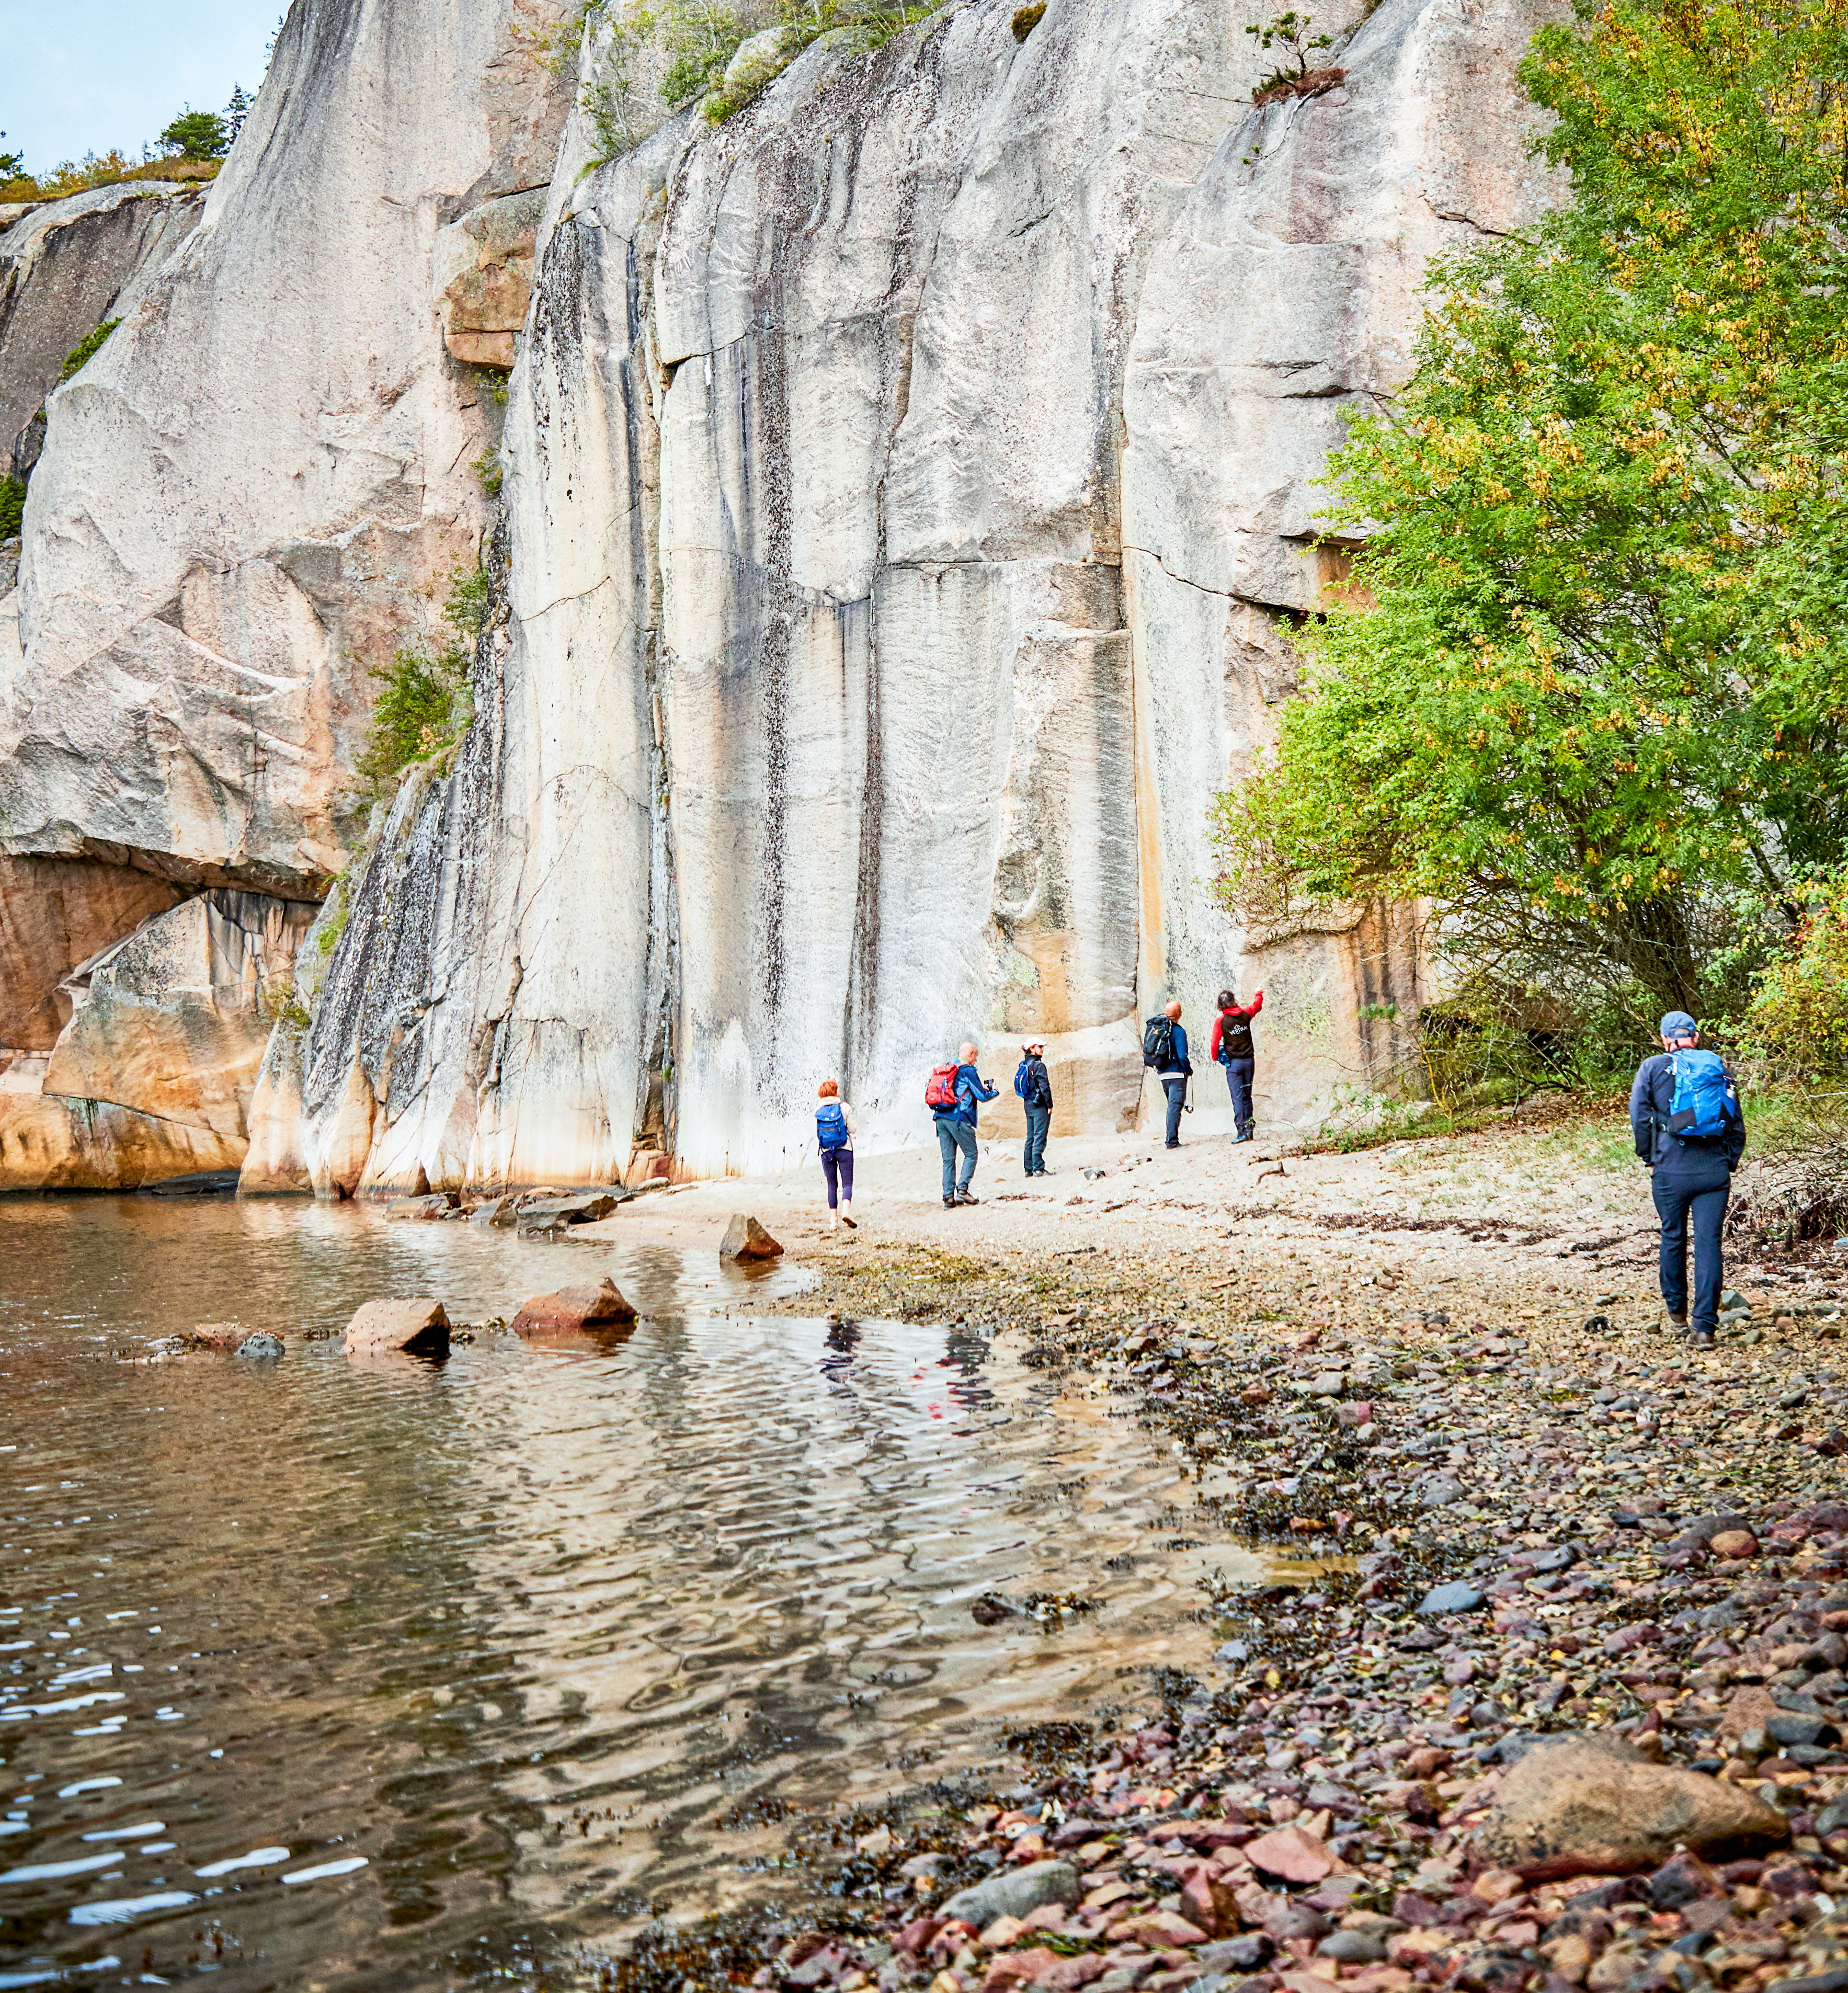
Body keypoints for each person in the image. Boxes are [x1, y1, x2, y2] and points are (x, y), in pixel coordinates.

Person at [1628, 1010, 1746, 1347]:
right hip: (1713, 1171)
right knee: (1709, 1243)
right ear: (1694, 1037)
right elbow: (1735, 1118)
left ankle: (1677, 1313)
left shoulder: (1652, 1067)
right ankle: (1705, 1327)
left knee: (1673, 1235)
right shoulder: (1718, 1068)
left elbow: (1640, 1117)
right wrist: (1729, 1161)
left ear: (1665, 1039)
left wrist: (1649, 1158)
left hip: (1670, 1168)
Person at [926, 1041, 998, 1208]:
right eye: (976, 1057)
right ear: (971, 1055)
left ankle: (948, 1198)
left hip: (940, 1118)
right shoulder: (967, 1071)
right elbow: (982, 1096)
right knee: (971, 1154)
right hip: (959, 1118)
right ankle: (963, 1191)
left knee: (948, 1160)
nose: (976, 1061)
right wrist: (994, 1090)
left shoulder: (947, 1069)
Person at [1210, 985, 1263, 1142]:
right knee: (1247, 1096)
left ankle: (1241, 1132)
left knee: (1237, 1097)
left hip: (1234, 1064)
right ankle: (1250, 1130)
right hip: (1249, 1061)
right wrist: (1258, 993)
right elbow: (1257, 1006)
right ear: (1234, 1002)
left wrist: (1215, 1057)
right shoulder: (1246, 1014)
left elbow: (1214, 1043)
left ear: (1220, 1006)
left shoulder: (1221, 1021)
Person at [1144, 998, 1192, 1149]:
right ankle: (1172, 1142)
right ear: (1179, 1014)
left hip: (1163, 1074)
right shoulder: (1179, 1031)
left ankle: (1172, 1139)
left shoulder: (1159, 1030)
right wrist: (1188, 1070)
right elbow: (1183, 1056)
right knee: (1174, 1108)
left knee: (1173, 1106)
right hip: (1177, 1075)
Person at [815, 1079, 856, 1232]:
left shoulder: (819, 1109)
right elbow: (853, 1129)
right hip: (845, 1149)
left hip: (826, 1151)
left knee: (832, 1186)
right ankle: (846, 1212)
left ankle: (833, 1222)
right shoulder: (844, 1107)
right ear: (834, 1092)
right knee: (847, 1184)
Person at [1016, 1040, 1054, 1177]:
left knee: (1030, 1136)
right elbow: (1045, 1087)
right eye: (1040, 1047)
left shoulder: (1023, 1064)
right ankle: (1038, 1168)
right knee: (1040, 1136)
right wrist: (1050, 1105)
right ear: (1032, 1049)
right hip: (1039, 1105)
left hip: (1028, 1104)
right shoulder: (1039, 1066)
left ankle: (1028, 1169)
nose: (1043, 1049)